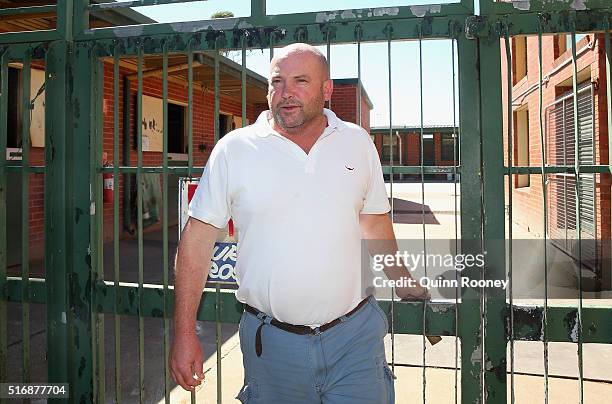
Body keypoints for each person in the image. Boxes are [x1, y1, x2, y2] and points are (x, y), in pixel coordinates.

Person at [169, 43, 428, 404]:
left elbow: (374, 223)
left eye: (300, 81)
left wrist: (403, 281)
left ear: (327, 90)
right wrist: (183, 332)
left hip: (354, 340)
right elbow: (196, 241)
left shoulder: (357, 142)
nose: (286, 92)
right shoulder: (235, 150)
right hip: (271, 348)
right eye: (277, 81)